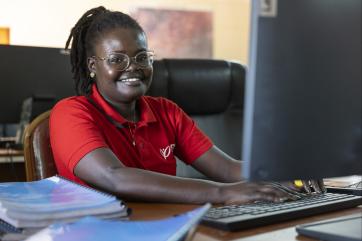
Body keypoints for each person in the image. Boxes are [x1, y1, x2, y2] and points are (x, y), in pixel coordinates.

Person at [49, 6, 324, 204]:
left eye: (142, 57)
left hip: (165, 227)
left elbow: (228, 169)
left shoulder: (166, 112)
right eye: (117, 59)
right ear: (93, 66)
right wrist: (222, 193)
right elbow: (114, 177)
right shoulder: (70, 113)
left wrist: (283, 173)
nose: (133, 67)